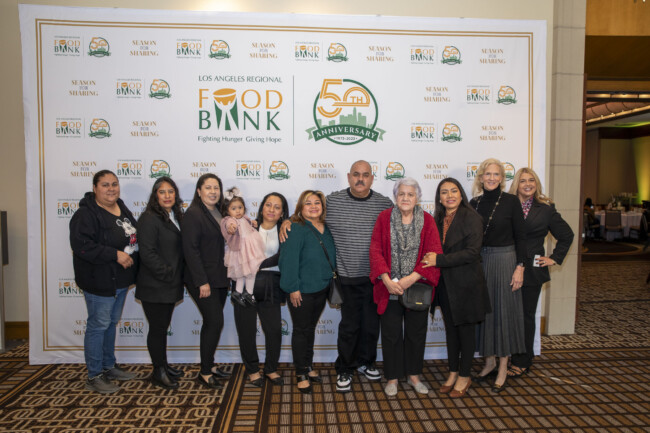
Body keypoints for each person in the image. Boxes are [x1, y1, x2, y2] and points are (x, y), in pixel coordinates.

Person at [280, 160, 393, 394]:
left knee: (371, 326)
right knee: (350, 327)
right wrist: (287, 221)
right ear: (348, 176)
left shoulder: (384, 204)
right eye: (355, 174)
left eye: (365, 175)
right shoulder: (332, 201)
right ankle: (345, 368)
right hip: (346, 278)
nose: (360, 179)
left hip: (375, 278)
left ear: (372, 178)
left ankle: (366, 362)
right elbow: (308, 212)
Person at [369, 177, 442, 397]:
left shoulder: (428, 220)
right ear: (395, 197)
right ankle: (392, 377)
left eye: (410, 194)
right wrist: (386, 280)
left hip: (417, 287)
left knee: (416, 334)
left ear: (417, 197)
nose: (406, 198)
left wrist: (411, 278)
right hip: (389, 287)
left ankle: (413, 376)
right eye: (402, 194)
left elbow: (433, 254)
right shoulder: (383, 218)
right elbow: (375, 250)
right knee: (391, 335)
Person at [69, 169, 138, 394]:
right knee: (98, 326)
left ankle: (109, 366)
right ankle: (94, 375)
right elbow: (82, 246)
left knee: (109, 324)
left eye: (114, 184)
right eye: (106, 185)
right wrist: (115, 254)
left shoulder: (121, 207)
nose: (111, 189)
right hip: (99, 281)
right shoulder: (85, 215)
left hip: (119, 281)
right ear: (95, 188)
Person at [421, 178, 491, 398]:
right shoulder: (438, 218)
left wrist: (439, 260)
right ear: (439, 198)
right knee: (451, 331)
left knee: (466, 333)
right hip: (446, 285)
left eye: (453, 191)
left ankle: (464, 375)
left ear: (461, 194)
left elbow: (472, 253)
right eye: (444, 192)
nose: (449, 195)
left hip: (467, 285)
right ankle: (453, 372)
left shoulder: (472, 217)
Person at [507, 168, 574, 377]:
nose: (528, 184)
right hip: (507, 267)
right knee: (508, 316)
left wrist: (554, 258)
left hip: (532, 272)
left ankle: (523, 360)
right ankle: (505, 357)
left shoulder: (545, 209)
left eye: (532, 180)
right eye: (523, 181)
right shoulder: (507, 206)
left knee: (525, 316)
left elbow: (567, 234)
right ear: (516, 184)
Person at [470, 158, 526, 393]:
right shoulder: (474, 203)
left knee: (503, 314)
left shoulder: (512, 202)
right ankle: (489, 361)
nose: (491, 178)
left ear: (502, 178)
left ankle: (503, 366)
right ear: (481, 177)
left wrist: (520, 267)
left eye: (496, 174)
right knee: (485, 313)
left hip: (506, 261)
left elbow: (522, 237)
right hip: (481, 261)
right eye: (487, 174)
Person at [279, 190, 336, 394]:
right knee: (301, 330)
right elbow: (288, 260)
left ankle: (308, 365)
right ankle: (301, 372)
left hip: (321, 288)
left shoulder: (327, 227)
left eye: (317, 203)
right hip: (301, 290)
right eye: (308, 203)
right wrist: (292, 287)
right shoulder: (295, 227)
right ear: (300, 208)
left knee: (310, 328)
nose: (313, 206)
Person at [232, 193, 289, 387]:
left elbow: (283, 257)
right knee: (246, 330)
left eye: (277, 207)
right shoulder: (247, 225)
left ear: (282, 212)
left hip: (271, 284)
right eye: (268, 205)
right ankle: (253, 370)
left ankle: (271, 368)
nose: (272, 209)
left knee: (273, 330)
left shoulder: (286, 229)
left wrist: (257, 263)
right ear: (262, 207)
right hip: (245, 283)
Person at [135, 176, 185, 390]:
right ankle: (158, 371)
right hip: (155, 285)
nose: (167, 196)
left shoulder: (175, 216)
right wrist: (168, 273)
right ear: (155, 195)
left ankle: (163, 365)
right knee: (157, 329)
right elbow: (147, 253)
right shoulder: (149, 218)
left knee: (162, 327)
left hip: (170, 284)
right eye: (162, 192)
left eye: (171, 191)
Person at [182, 173, 230, 389]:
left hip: (219, 277)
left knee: (212, 323)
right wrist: (201, 281)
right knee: (215, 322)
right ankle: (204, 372)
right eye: (208, 188)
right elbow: (190, 251)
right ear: (199, 191)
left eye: (216, 188)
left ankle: (208, 366)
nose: (213, 192)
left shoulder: (220, 212)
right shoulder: (193, 214)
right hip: (202, 279)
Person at [220, 187, 266, 307]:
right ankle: (239, 292)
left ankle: (247, 293)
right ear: (227, 210)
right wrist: (231, 227)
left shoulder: (244, 218)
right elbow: (230, 224)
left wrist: (253, 223)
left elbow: (248, 223)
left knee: (251, 272)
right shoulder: (229, 219)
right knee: (242, 273)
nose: (238, 211)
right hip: (241, 250)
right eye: (233, 208)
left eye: (240, 208)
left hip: (250, 249)